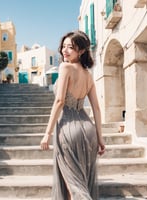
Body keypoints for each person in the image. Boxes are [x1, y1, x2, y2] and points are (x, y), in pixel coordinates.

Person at [40, 30, 105, 200]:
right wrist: (100, 137)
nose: (65, 50)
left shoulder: (65, 67)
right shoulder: (88, 75)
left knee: (74, 186)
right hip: (88, 128)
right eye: (64, 46)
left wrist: (47, 133)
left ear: (82, 51)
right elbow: (96, 109)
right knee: (79, 181)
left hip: (68, 129)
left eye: (71, 47)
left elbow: (60, 100)